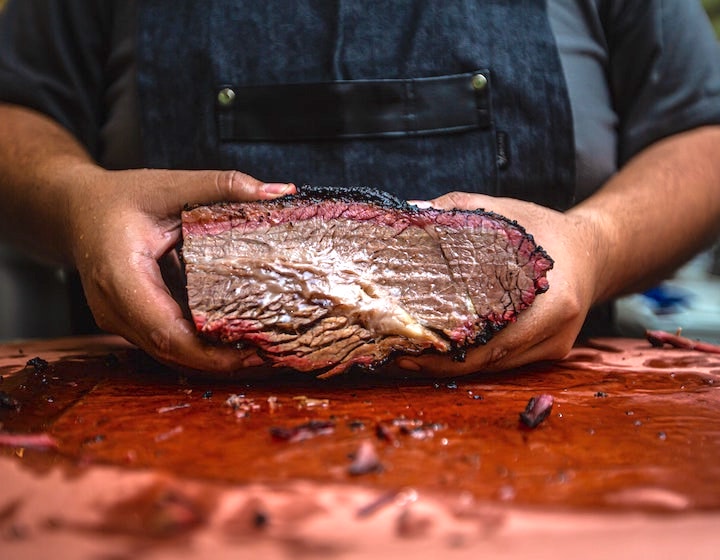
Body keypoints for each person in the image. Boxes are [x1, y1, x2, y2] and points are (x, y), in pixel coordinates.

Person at [0, 1, 719, 376]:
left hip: (556, 420)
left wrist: (601, 243)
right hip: (147, 422)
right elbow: (16, 112)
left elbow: (702, 132)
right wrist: (74, 203)